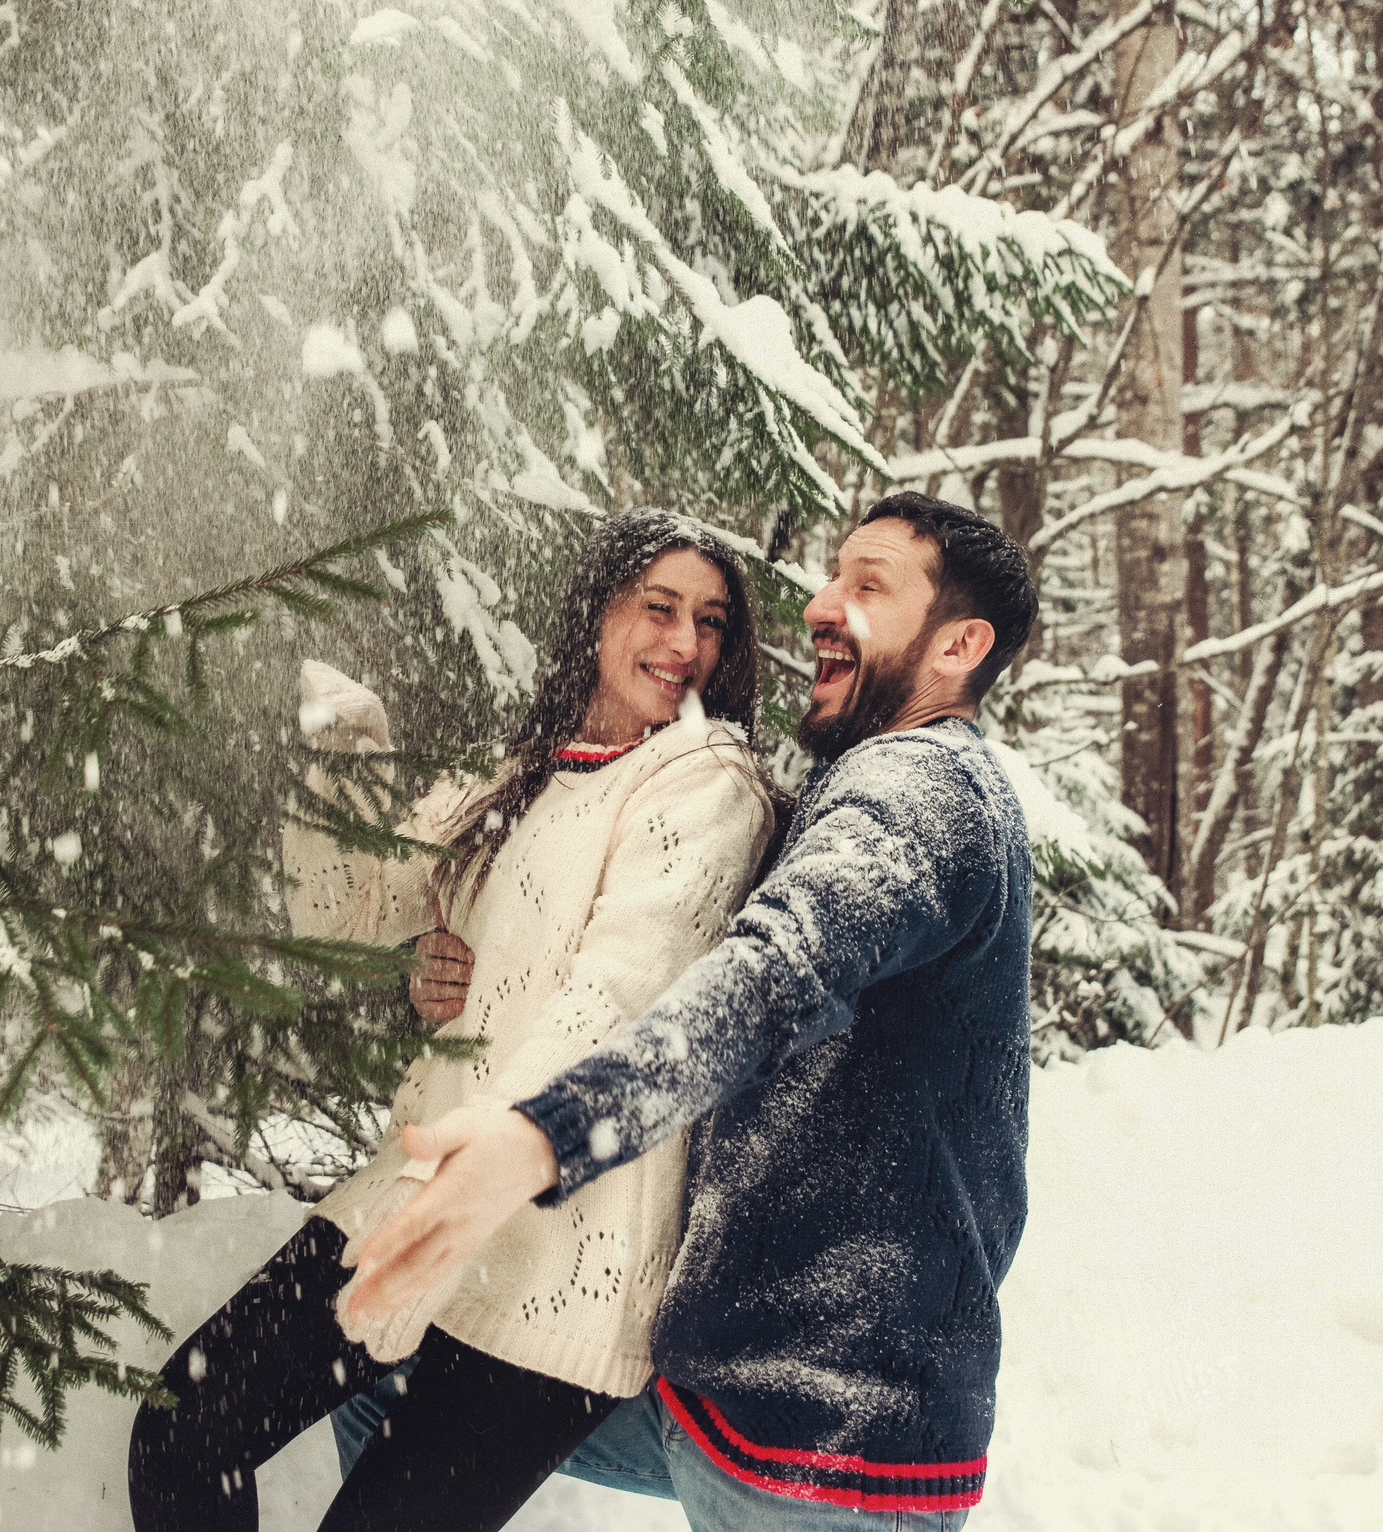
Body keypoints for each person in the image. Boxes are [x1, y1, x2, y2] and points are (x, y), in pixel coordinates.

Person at [343, 491, 1038, 1532]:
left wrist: (545, 1134)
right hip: (718, 1393)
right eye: (831, 572)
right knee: (377, 1383)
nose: (819, 602)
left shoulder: (922, 791)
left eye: (868, 583)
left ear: (959, 646)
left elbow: (766, 979)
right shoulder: (860, 787)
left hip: (834, 1454)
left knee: (387, 1386)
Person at [128, 509, 780, 1532]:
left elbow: (615, 991)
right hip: (413, 1193)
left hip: (561, 1248)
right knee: (183, 1427)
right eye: (658, 608)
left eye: (708, 621)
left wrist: (498, 1131)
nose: (684, 643)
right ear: (596, 612)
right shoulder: (522, 772)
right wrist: (338, 733)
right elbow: (347, 905)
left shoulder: (705, 783)